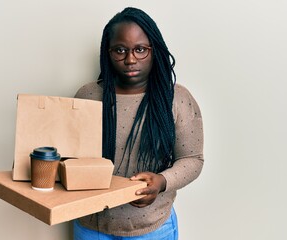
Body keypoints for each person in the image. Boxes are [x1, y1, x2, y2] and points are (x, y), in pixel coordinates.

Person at [73, 7, 204, 240]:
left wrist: (162, 181)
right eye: (120, 50)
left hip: (153, 228)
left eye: (140, 50)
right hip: (91, 226)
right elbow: (70, 156)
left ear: (155, 51)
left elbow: (192, 159)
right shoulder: (89, 95)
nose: (130, 59)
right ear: (107, 52)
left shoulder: (176, 99)